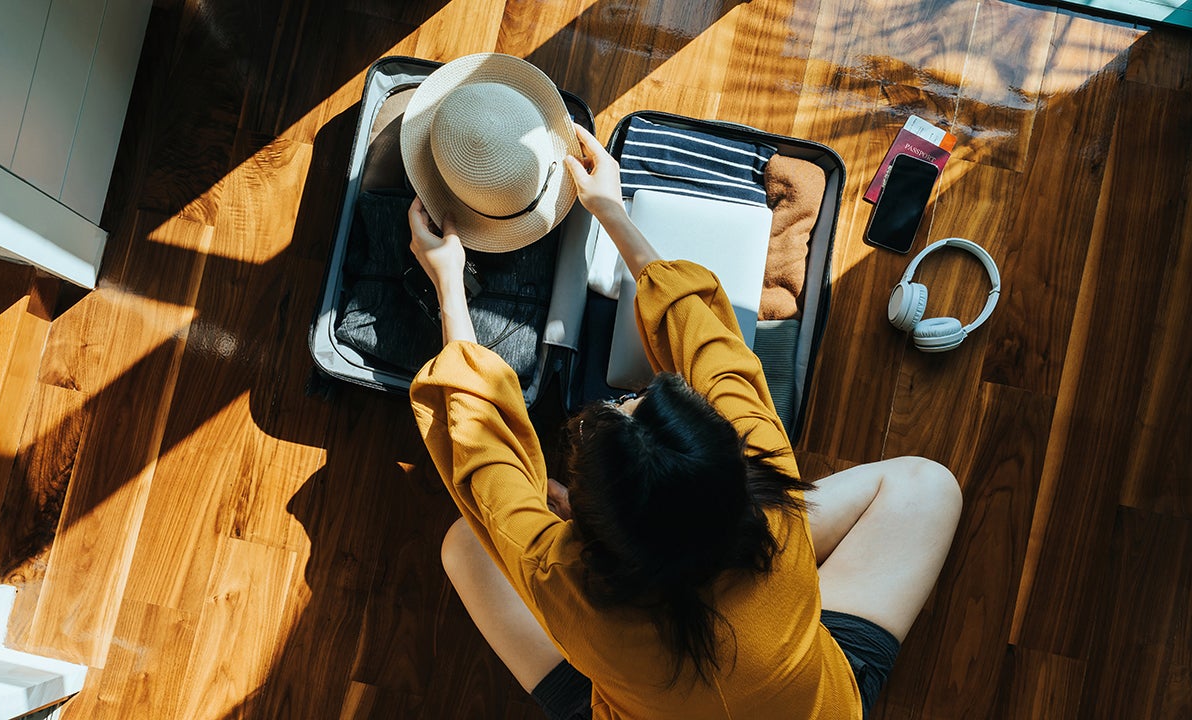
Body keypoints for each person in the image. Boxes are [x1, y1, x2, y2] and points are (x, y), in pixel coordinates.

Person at [408, 123, 963, 719]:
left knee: (469, 543)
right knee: (928, 486)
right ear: (737, 469)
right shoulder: (769, 470)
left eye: (625, 405)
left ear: (587, 539)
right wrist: (613, 214)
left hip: (631, 673)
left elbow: (481, 453)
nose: (629, 398)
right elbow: (709, 342)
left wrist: (448, 281)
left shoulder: (563, 580)